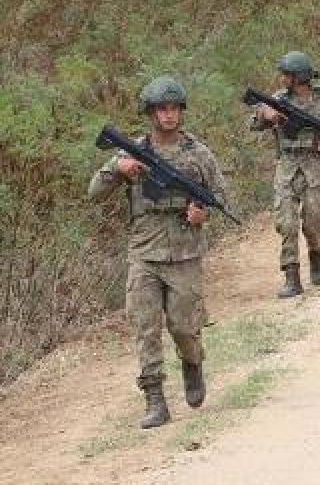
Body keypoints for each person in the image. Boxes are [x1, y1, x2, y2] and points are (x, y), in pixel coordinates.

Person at [88, 76, 230, 428]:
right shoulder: (131, 151)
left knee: (184, 327)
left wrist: (203, 213)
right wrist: (115, 169)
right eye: (162, 109)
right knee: (145, 328)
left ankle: (192, 363)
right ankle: (155, 400)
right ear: (151, 113)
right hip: (143, 252)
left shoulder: (197, 152)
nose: (169, 115)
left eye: (174, 109)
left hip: (185, 253)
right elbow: (94, 193)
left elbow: (222, 194)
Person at [249, 51, 320, 298]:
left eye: (286, 75)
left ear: (299, 77)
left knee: (314, 222)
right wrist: (265, 115)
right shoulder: (277, 100)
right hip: (287, 167)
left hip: (314, 167)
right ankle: (291, 276)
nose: (282, 79)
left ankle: (316, 251)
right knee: (286, 222)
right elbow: (254, 122)